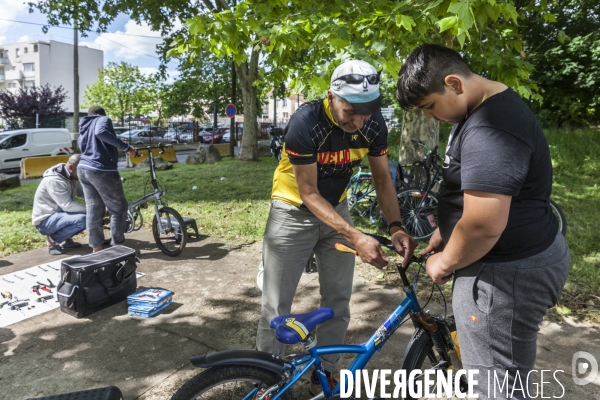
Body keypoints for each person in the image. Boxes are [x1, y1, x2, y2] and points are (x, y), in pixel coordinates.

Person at [396, 44, 571, 399]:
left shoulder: (492, 126)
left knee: (495, 389)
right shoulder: (479, 109)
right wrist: (447, 230)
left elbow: (483, 224)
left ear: (454, 84)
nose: (429, 116)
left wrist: (444, 261)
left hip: (505, 276)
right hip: (506, 265)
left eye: (429, 105)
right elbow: (476, 190)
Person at [256, 59, 417, 395]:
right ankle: (266, 378)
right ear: (331, 97)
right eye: (350, 112)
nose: (358, 122)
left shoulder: (373, 126)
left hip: (337, 211)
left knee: (339, 299)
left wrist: (396, 226)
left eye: (367, 112)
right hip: (292, 211)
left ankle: (327, 371)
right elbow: (309, 193)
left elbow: (383, 180)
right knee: (276, 304)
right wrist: (355, 235)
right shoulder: (306, 121)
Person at [77, 106, 136, 252]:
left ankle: (96, 247)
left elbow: (81, 144)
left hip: (83, 169)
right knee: (118, 208)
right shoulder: (103, 120)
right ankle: (117, 247)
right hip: (102, 170)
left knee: (94, 209)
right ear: (102, 114)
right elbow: (101, 132)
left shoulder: (84, 126)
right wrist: (126, 147)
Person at [32, 154, 86, 255]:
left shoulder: (70, 174)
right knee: (83, 219)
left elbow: (82, 193)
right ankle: (52, 242)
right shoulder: (54, 180)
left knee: (88, 216)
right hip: (45, 221)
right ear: (71, 167)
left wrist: (99, 200)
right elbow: (67, 205)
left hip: (58, 216)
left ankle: (66, 239)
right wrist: (94, 209)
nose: (84, 175)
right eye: (82, 172)